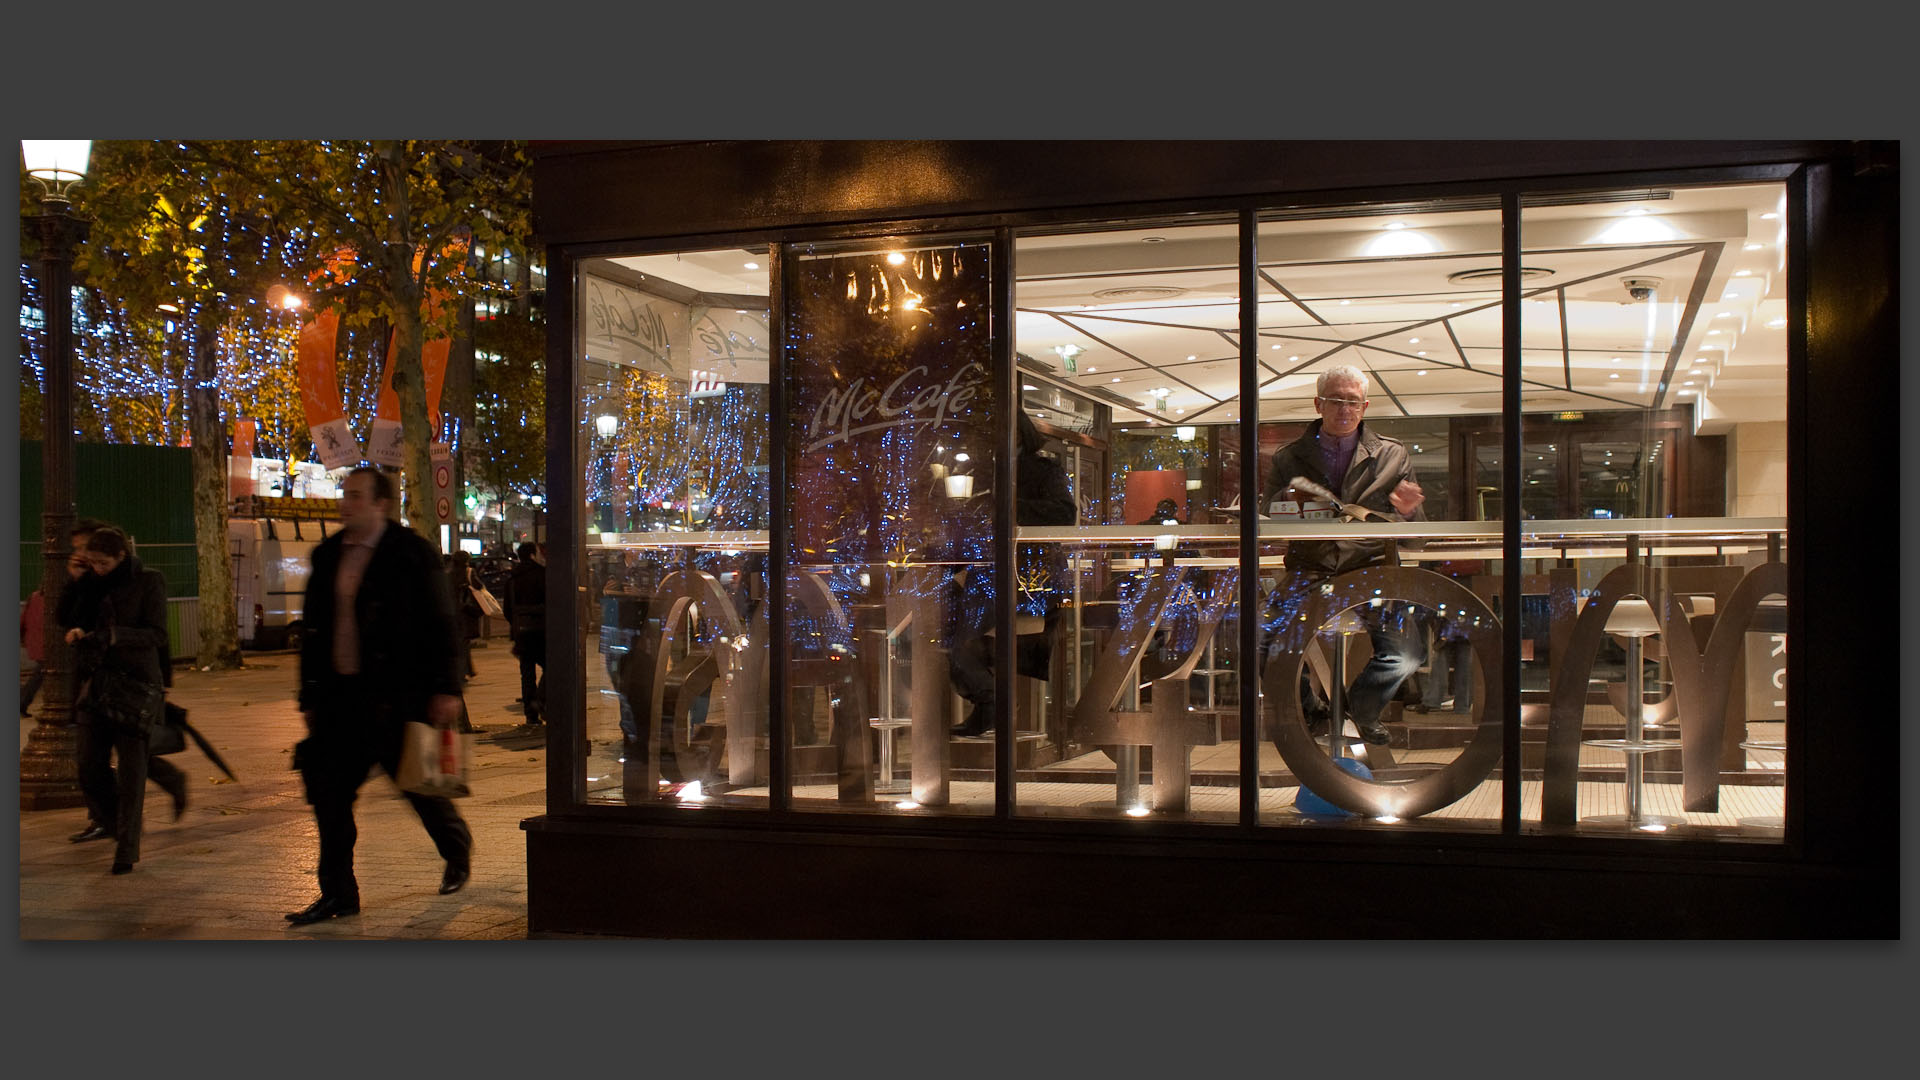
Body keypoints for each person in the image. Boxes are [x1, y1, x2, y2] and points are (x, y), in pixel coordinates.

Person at [286, 466, 473, 925]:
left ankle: (456, 849)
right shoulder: (328, 555)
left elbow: (442, 624)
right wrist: (308, 695)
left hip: (396, 697)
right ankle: (338, 894)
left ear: (381, 503)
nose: (345, 503)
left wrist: (447, 688)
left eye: (355, 495)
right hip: (339, 700)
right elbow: (314, 632)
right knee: (329, 797)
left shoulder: (411, 553)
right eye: (343, 494)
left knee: (421, 789)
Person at [1259, 364, 1427, 747]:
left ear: (1365, 406)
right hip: (1309, 566)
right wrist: (1285, 504)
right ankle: (1312, 712)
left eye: (1352, 401)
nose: (1344, 409)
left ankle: (1358, 712)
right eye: (1336, 400)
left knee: (1407, 654)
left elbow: (1416, 539)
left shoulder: (1392, 454)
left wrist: (1408, 512)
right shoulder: (1289, 457)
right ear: (1318, 403)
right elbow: (1268, 514)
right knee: (1263, 643)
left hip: (1371, 567)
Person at [57, 524, 186, 874]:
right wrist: (75, 583)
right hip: (95, 685)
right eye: (91, 562)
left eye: (102, 563)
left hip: (134, 685)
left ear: (120, 557)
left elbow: (158, 634)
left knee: (132, 771)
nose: (96, 569)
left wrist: (116, 636)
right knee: (88, 766)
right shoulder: (90, 583)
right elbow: (64, 617)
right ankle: (117, 826)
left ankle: (126, 849)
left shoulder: (149, 581)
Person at [949, 409, 1076, 738]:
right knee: (945, 635)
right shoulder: (977, 470)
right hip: (986, 573)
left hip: (1026, 577)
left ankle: (990, 700)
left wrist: (1007, 505)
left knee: (959, 640)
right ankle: (989, 700)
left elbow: (1064, 513)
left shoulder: (1044, 470)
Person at [506, 541, 547, 726]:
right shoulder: (542, 574)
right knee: (552, 667)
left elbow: (508, 609)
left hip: (521, 633)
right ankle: (539, 699)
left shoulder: (512, 578)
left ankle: (531, 716)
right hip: (541, 631)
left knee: (527, 673)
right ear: (532, 554)